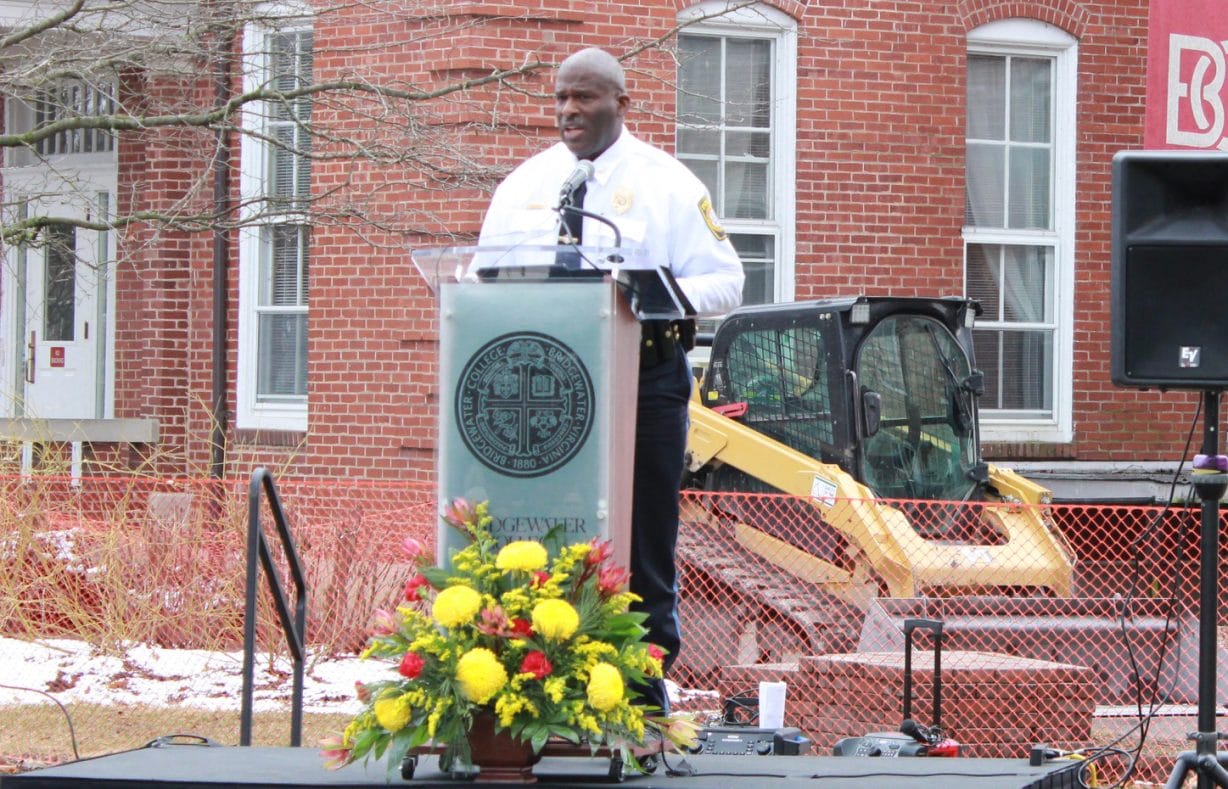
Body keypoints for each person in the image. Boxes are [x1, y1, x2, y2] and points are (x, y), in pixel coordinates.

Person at [478, 47, 744, 712]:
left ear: (622, 104)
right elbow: (480, 276)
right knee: (541, 535)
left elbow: (727, 282)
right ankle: (534, 675)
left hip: (642, 382)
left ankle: (640, 690)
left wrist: (645, 289)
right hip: (541, 392)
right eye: (562, 98)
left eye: (586, 98)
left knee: (642, 539)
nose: (569, 110)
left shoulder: (669, 184)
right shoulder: (524, 186)